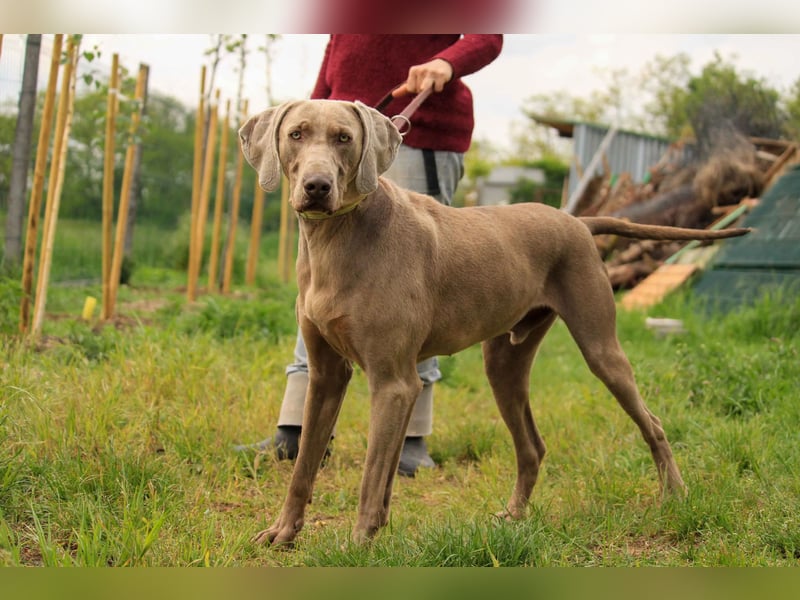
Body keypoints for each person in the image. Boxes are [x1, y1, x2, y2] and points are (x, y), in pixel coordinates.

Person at [237, 34, 503, 476]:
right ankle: (297, 427)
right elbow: (336, 50)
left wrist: (446, 62)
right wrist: (312, 119)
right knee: (320, 289)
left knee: (413, 287)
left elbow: (487, 34)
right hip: (339, 135)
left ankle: (410, 437)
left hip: (415, 129)